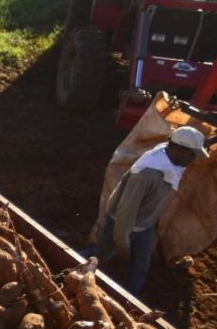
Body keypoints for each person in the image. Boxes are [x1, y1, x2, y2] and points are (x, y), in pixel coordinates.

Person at [83, 126, 208, 294]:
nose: (193, 159)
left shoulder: (172, 159)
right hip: (122, 223)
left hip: (145, 225)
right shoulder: (146, 174)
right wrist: (122, 239)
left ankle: (130, 298)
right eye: (192, 154)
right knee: (99, 256)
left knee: (141, 266)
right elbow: (126, 210)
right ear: (179, 149)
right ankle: (69, 263)